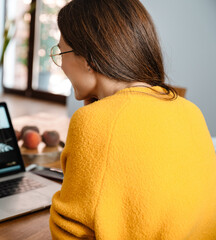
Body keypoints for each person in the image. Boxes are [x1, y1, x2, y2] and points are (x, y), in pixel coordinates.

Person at [49, 0, 216, 239]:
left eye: (61, 52)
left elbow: (66, 232)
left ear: (87, 59)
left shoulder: (93, 122)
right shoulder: (191, 111)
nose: (61, 65)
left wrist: (94, 118)